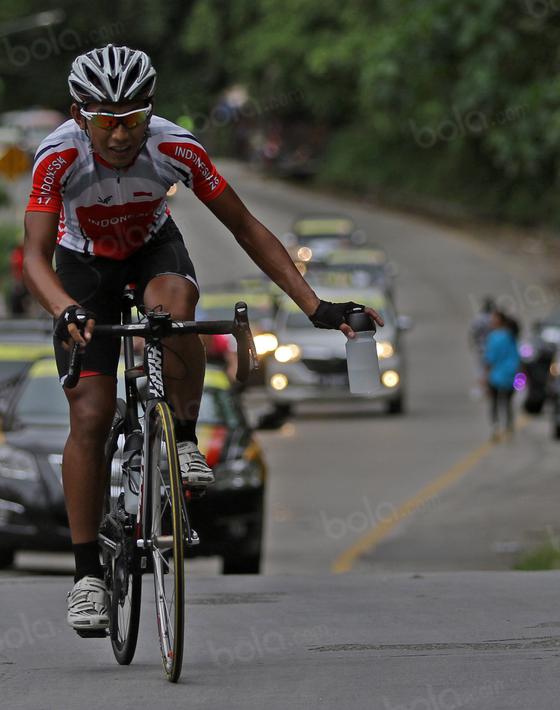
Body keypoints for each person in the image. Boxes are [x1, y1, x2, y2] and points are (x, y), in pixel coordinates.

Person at [21, 45, 383, 633]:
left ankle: (182, 437)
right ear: (78, 114)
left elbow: (244, 227)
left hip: (151, 251)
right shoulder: (58, 157)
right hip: (82, 269)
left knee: (176, 308)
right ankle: (87, 575)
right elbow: (33, 257)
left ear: (150, 113)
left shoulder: (174, 148)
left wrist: (314, 306)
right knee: (89, 415)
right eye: (104, 121)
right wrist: (64, 311)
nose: (118, 135)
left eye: (132, 120)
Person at [482, 309, 520, 440]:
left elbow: (489, 358)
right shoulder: (511, 336)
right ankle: (508, 426)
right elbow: (517, 356)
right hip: (510, 374)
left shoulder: (494, 337)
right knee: (508, 402)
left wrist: (484, 376)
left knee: (495, 402)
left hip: (497, 375)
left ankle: (496, 426)